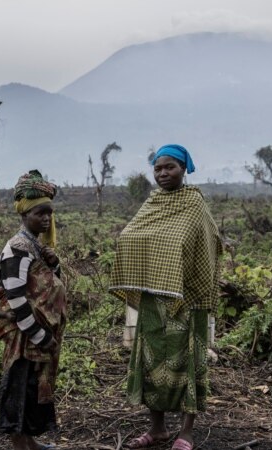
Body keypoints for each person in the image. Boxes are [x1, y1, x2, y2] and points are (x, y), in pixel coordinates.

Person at [109, 144, 222, 450]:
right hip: (152, 299)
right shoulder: (152, 203)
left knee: (188, 361)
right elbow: (129, 237)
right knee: (150, 360)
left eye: (169, 167)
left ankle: (187, 431)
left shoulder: (194, 204)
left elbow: (209, 244)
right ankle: (157, 428)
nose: (162, 174)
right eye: (157, 168)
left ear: (184, 168)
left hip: (188, 299)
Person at [0, 169, 67, 450]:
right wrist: (39, 335)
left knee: (32, 388)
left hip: (35, 333)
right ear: (24, 215)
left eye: (49, 212)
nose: (46, 219)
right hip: (25, 337)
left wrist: (53, 262)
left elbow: (49, 282)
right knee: (19, 387)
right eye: (39, 213)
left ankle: (30, 443)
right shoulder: (17, 248)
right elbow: (16, 297)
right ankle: (20, 444)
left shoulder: (36, 246)